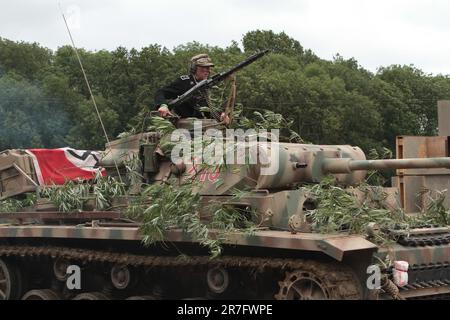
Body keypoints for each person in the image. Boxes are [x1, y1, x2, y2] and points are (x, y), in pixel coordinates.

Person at [154, 54, 230, 124]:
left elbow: (206, 108)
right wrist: (163, 105)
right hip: (183, 123)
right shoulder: (184, 82)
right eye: (203, 67)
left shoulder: (206, 85)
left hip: (200, 123)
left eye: (208, 67)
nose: (207, 70)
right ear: (194, 68)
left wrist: (221, 115)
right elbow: (161, 92)